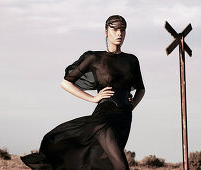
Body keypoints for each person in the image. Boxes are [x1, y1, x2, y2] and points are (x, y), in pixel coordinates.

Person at [20, 15, 145, 170]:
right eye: (115, 29)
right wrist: (93, 98)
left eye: (123, 29)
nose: (119, 33)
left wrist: (131, 106)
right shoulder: (94, 58)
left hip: (124, 119)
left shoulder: (132, 60)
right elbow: (65, 83)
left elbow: (141, 89)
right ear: (106, 32)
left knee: (103, 164)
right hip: (103, 120)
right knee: (120, 166)